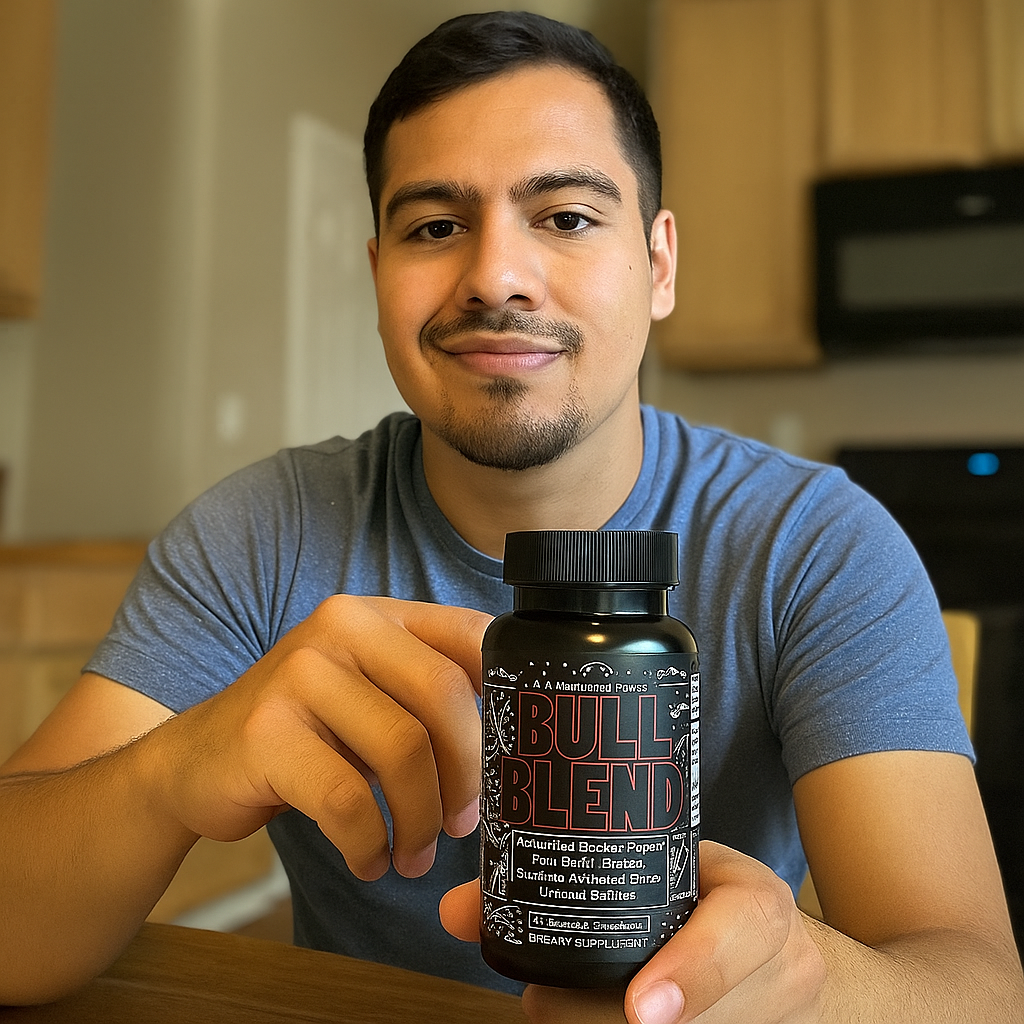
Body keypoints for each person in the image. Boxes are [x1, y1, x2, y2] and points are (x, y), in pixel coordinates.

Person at [1, 10, 1020, 1022]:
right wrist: (173, 770)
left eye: (567, 217)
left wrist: (806, 983)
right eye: (434, 226)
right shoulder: (258, 533)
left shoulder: (813, 544)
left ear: (659, 262)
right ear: (377, 275)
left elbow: (975, 986)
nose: (493, 275)